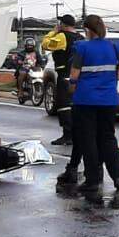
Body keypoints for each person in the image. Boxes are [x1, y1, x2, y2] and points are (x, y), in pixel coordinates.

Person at [58, 15, 119, 194]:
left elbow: (74, 75)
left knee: (88, 139)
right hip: (109, 100)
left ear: (87, 30)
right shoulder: (114, 47)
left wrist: (72, 87)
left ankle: (93, 180)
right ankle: (118, 176)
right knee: (108, 138)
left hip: (85, 100)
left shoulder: (82, 48)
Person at [42, 16, 78, 146]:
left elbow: (46, 44)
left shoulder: (62, 36)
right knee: (74, 105)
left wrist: (53, 32)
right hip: (78, 75)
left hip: (65, 75)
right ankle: (76, 133)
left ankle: (67, 135)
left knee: (63, 105)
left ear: (63, 24)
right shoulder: (80, 37)